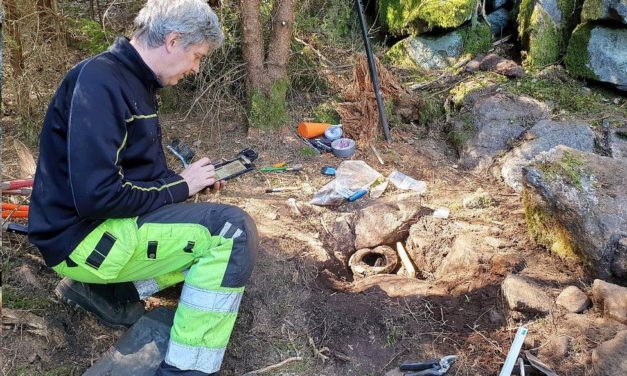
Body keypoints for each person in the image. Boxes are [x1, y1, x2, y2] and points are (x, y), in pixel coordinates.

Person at [27, 1, 259, 374]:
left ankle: (110, 293)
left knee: (206, 221)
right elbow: (97, 195)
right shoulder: (100, 82)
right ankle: (187, 368)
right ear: (172, 40)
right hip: (82, 239)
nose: (195, 68)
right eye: (196, 56)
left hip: (96, 234)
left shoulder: (134, 83)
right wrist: (180, 189)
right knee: (232, 233)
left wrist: (184, 186)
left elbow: (140, 173)